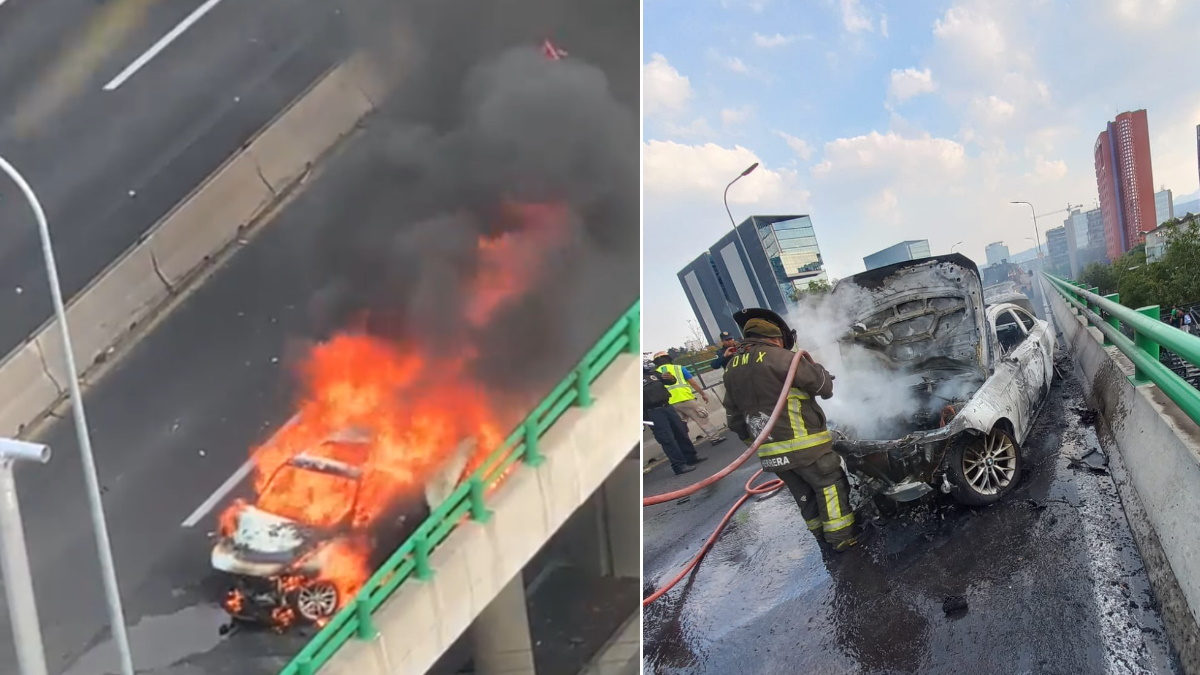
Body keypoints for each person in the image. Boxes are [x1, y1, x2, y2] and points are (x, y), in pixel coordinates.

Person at [721, 307, 861, 552]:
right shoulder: (783, 358)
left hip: (771, 454)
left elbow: (734, 418)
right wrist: (821, 372)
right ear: (776, 338)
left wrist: (756, 444)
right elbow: (824, 388)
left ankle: (820, 536)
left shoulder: (731, 367)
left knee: (803, 494)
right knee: (830, 486)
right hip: (806, 448)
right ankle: (841, 538)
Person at [643, 361, 707, 475]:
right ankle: (679, 466)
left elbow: (670, 381)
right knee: (667, 439)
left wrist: (671, 378)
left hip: (667, 406)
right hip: (652, 412)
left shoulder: (652, 373)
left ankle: (691, 457)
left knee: (681, 432)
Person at [652, 351, 727, 445]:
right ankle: (715, 438)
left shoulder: (655, 374)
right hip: (686, 399)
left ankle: (685, 446)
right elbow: (693, 383)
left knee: (680, 426)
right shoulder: (679, 368)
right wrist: (703, 394)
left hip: (670, 404)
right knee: (702, 419)